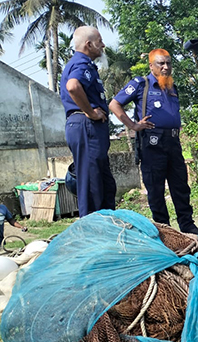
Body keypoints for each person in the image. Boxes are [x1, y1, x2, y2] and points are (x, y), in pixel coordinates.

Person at [109, 49, 198, 234]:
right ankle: (164, 230)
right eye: (161, 63)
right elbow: (114, 104)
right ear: (151, 66)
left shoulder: (171, 87)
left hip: (173, 141)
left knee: (180, 185)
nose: (165, 67)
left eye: (168, 63)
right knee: (155, 188)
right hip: (152, 143)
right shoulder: (141, 84)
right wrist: (133, 125)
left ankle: (187, 225)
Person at [60, 26, 116, 217]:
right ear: (88, 44)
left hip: (88, 127)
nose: (103, 45)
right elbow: (73, 86)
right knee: (92, 183)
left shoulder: (85, 65)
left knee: (103, 182)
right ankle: (93, 233)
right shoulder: (81, 63)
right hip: (86, 126)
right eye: (99, 41)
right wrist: (91, 113)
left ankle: (106, 226)